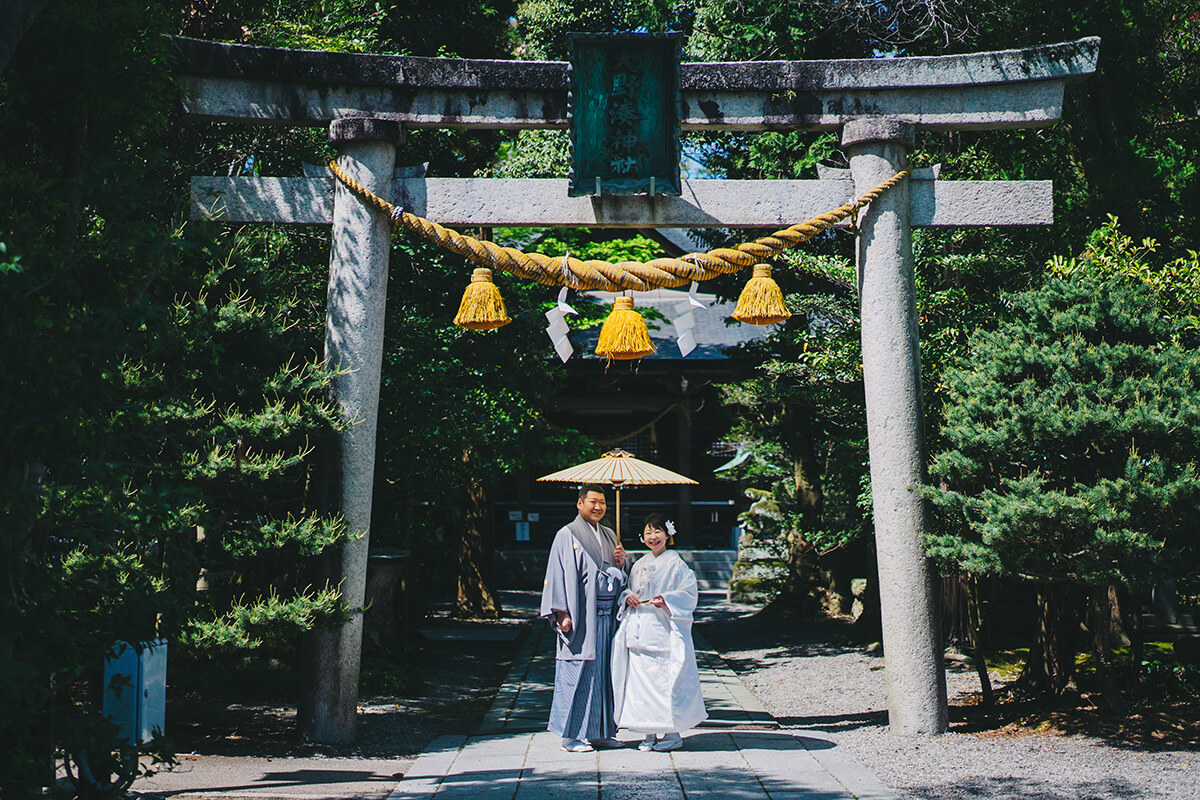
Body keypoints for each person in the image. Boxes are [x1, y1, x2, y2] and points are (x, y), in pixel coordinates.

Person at [539, 483, 628, 752]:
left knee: (605, 674)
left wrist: (622, 562)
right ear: (580, 504)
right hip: (581, 616)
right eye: (593, 501)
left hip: (607, 617)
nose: (599, 507)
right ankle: (571, 735)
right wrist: (561, 611)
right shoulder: (566, 535)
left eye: (603, 502)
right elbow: (556, 573)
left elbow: (618, 577)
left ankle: (601, 731)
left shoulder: (611, 535)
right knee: (578, 672)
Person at [612, 513, 707, 752]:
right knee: (640, 686)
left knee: (665, 684)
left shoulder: (675, 563)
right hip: (639, 629)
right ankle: (648, 733)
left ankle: (673, 733)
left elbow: (688, 593)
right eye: (648, 533)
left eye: (657, 532)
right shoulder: (640, 563)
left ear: (667, 535)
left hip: (662, 630)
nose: (653, 537)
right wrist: (628, 596)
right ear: (642, 538)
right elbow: (627, 589)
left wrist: (666, 600)